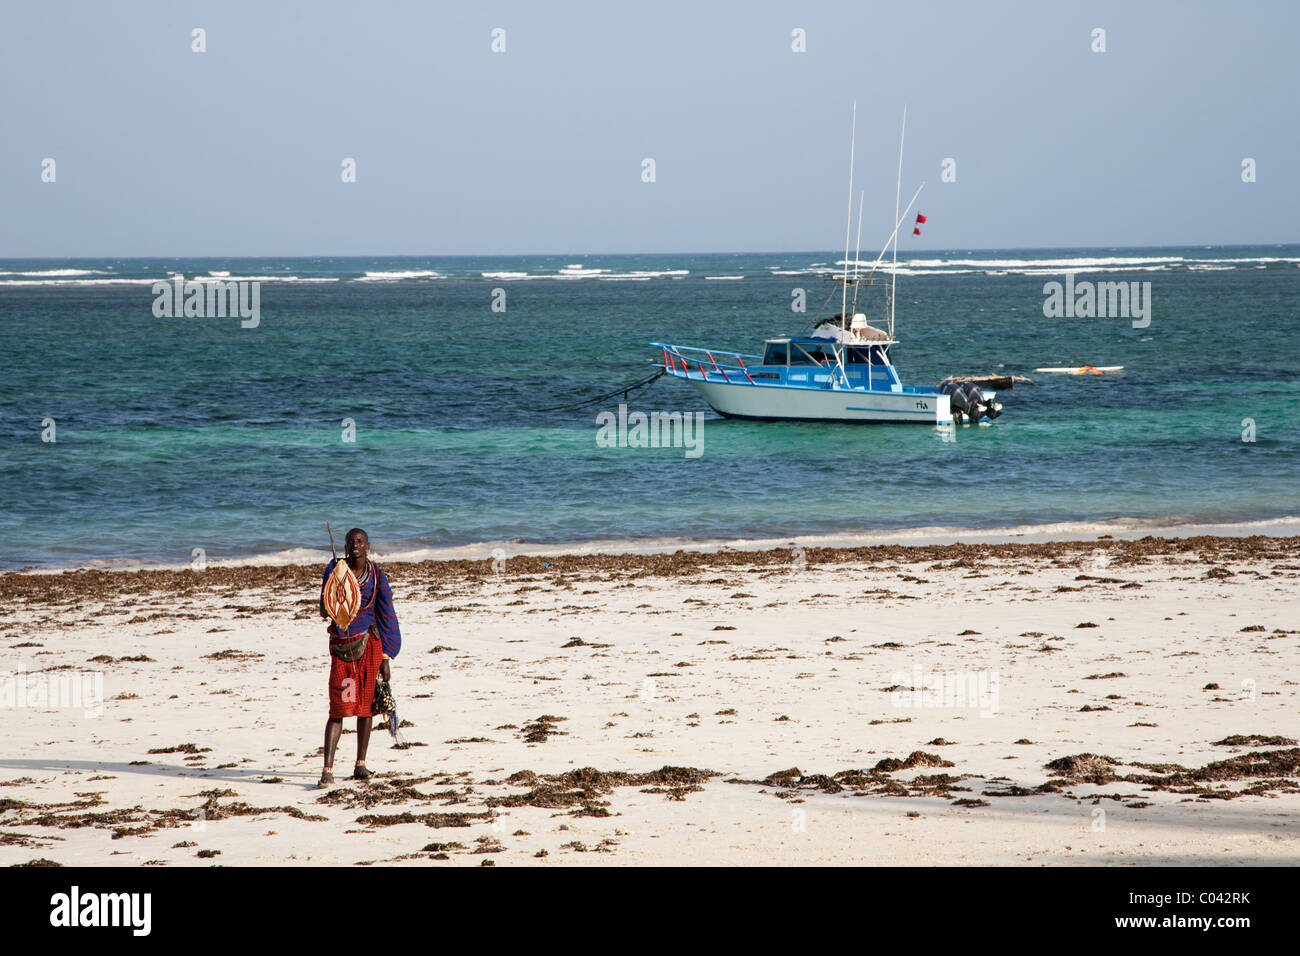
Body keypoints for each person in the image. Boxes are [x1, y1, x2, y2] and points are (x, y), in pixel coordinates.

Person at [318, 528, 401, 787]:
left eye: (359, 541)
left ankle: (360, 765)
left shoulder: (377, 576)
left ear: (367, 546)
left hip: (370, 645)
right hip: (342, 646)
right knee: (338, 709)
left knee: (366, 708)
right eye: (350, 542)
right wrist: (334, 592)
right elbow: (324, 609)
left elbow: (387, 612)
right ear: (344, 546)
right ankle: (327, 769)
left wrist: (386, 656)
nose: (354, 545)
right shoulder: (334, 569)